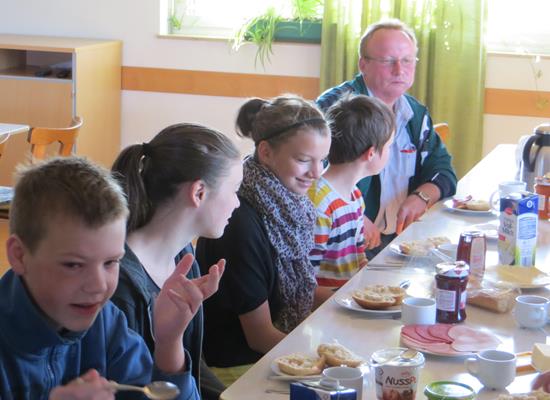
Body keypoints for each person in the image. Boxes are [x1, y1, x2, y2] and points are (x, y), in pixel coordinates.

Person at [1, 157, 216, 399]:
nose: (98, 286)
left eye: (111, 262)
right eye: (73, 265)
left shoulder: (106, 322)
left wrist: (168, 343)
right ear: (19, 255)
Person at [196, 95, 331, 384]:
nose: (316, 173)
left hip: (271, 350)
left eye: (323, 161)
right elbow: (260, 337)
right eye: (303, 160)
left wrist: (344, 303)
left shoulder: (289, 206)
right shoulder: (240, 223)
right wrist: (326, 362)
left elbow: (297, 287)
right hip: (239, 369)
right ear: (266, 152)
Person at [111, 123, 242, 400]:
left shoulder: (184, 257)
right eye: (234, 190)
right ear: (199, 192)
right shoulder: (119, 286)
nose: (237, 203)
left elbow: (192, 364)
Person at [316, 18, 457, 257]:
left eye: (407, 60)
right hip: (348, 245)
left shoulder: (415, 113)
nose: (399, 70)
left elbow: (444, 171)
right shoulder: (337, 108)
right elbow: (309, 176)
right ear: (363, 64)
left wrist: (421, 197)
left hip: (402, 240)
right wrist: (354, 216)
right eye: (388, 61)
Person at [308, 94, 395, 295]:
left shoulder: (354, 196)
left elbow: (357, 255)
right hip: (326, 306)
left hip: (347, 295)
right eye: (389, 146)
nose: (390, 152)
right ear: (371, 153)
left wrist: (371, 282)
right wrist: (348, 298)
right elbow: (304, 283)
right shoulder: (319, 203)